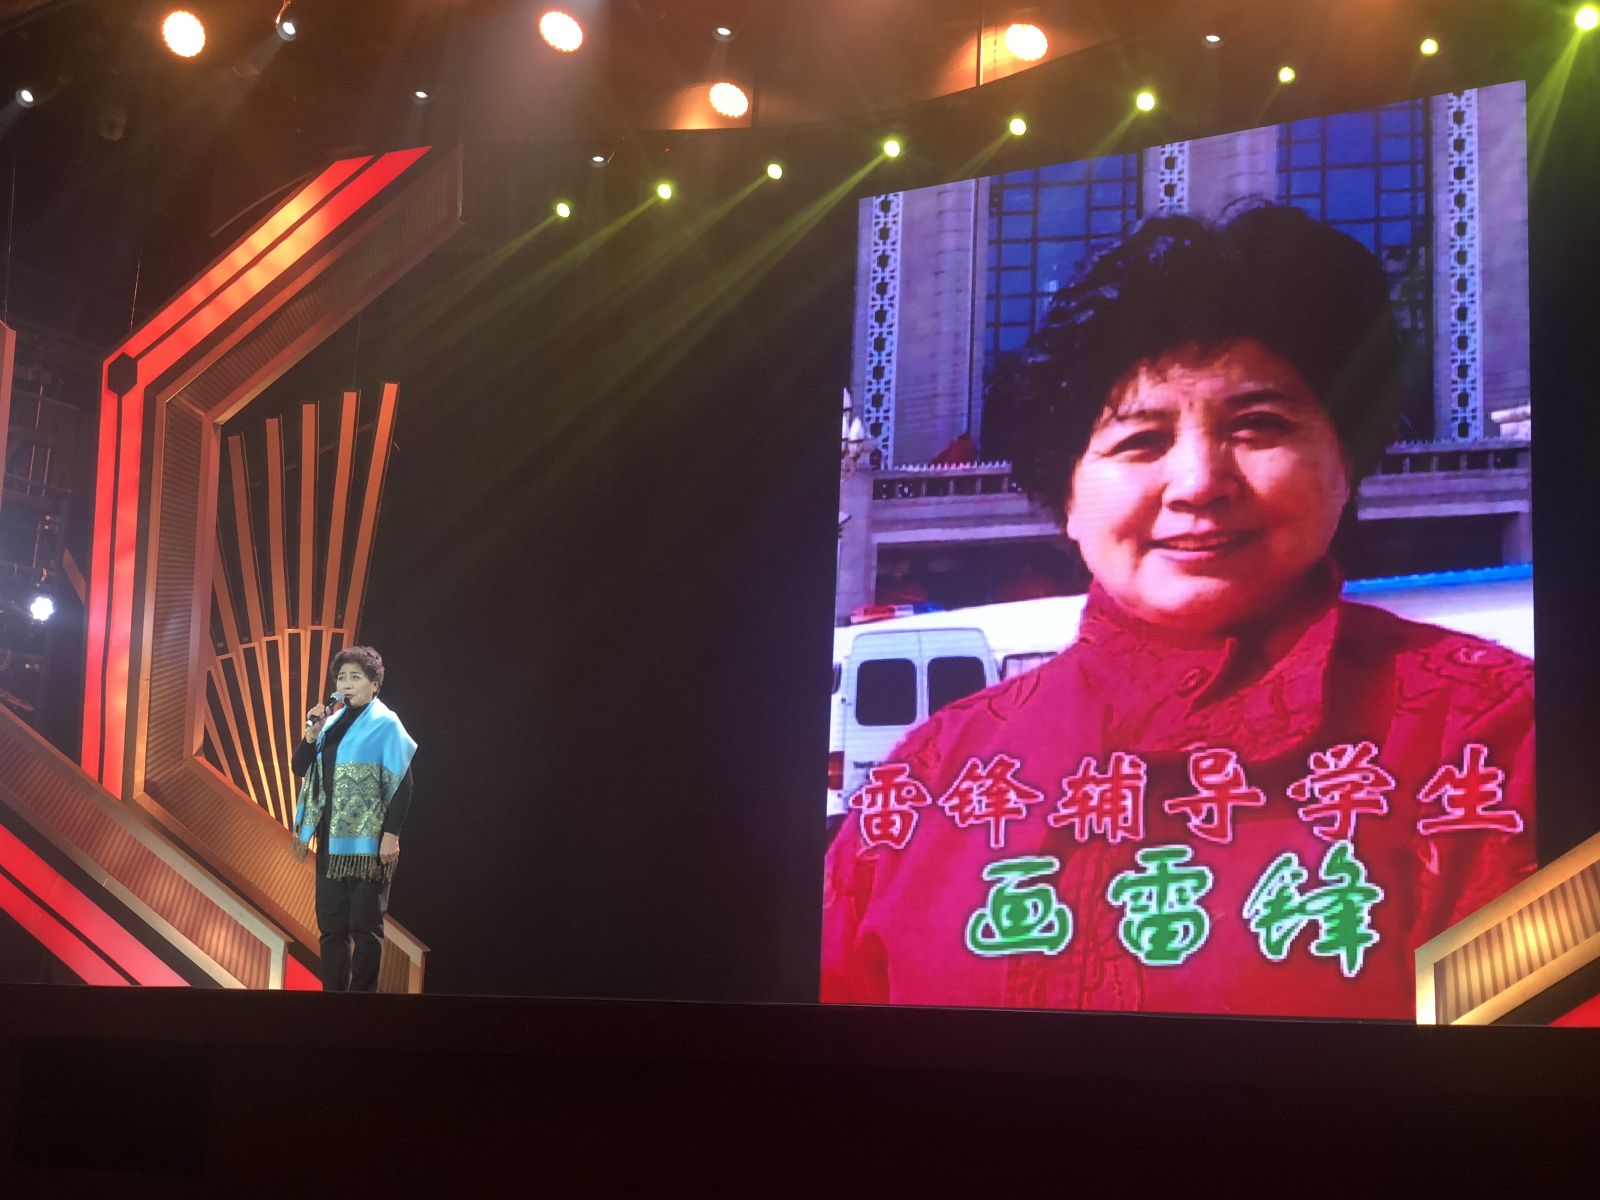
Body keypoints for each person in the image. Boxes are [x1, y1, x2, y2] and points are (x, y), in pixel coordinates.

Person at [822, 204, 1535, 1019]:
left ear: (1346, 458)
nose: (1199, 483)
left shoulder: (1499, 738)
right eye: (1140, 441)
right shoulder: (931, 776)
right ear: (1067, 495)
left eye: (1258, 426)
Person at [292, 646, 417, 992]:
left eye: (355, 677)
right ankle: (333, 1000)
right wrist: (311, 735)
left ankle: (362, 1003)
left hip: (368, 846)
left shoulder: (385, 724)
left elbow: (403, 784)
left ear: (374, 684)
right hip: (330, 843)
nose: (346, 684)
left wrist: (391, 834)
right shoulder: (329, 725)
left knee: (365, 928)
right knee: (331, 929)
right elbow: (299, 768)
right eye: (342, 678)